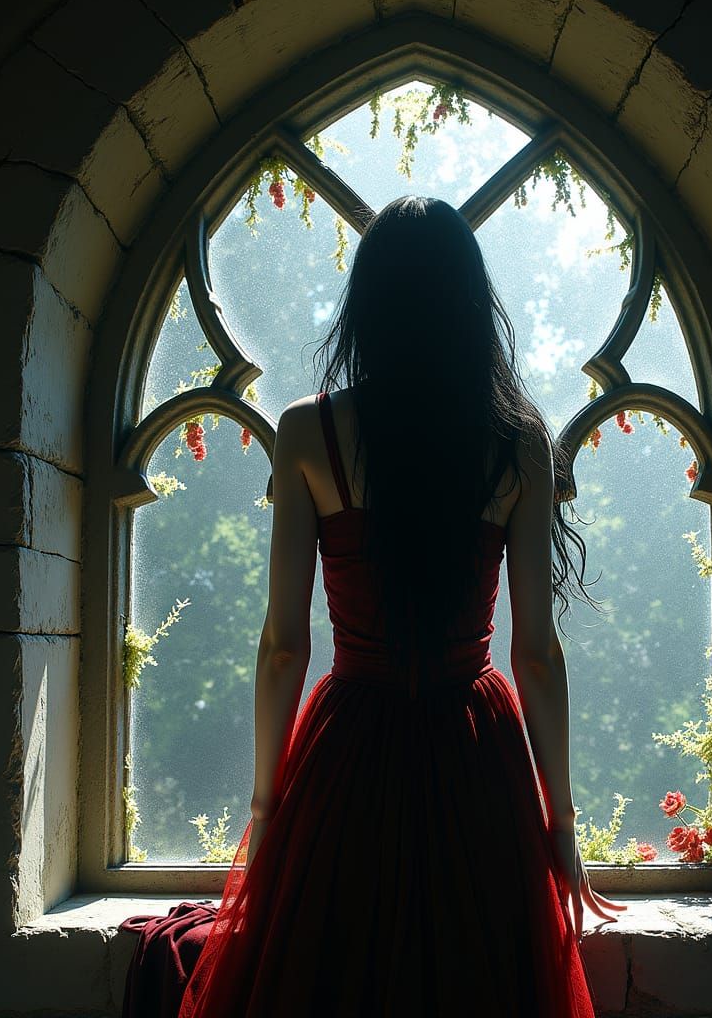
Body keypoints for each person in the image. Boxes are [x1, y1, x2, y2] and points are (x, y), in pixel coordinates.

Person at [120, 195, 625, 1018]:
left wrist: (267, 804)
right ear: (470, 302)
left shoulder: (307, 433)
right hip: (477, 755)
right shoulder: (518, 439)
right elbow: (537, 653)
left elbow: (285, 645)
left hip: (349, 751)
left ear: (368, 305)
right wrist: (561, 819)